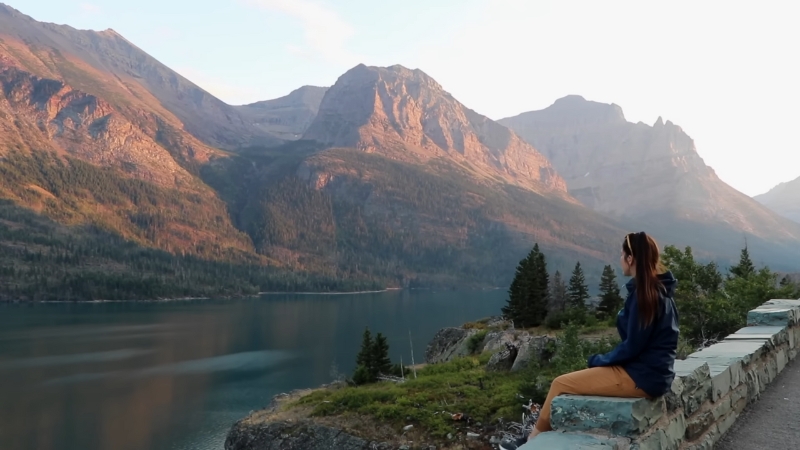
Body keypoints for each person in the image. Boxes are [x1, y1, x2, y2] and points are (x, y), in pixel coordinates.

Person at [500, 232, 679, 450]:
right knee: (568, 382)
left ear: (630, 259)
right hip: (653, 374)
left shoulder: (645, 295)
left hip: (642, 376)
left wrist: (599, 360)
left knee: (561, 383)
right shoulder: (659, 291)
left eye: (622, 254)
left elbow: (633, 346)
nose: (620, 259)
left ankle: (532, 440)